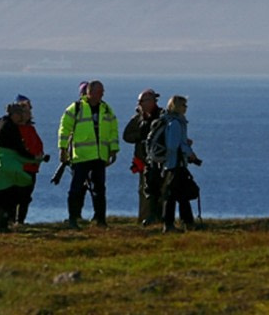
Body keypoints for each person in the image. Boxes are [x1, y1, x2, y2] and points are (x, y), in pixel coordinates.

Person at [58, 80, 119, 229]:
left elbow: (113, 130)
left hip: (99, 156)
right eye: (99, 92)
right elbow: (64, 129)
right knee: (76, 189)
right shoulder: (76, 108)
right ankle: (73, 218)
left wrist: (113, 149)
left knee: (99, 189)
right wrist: (62, 149)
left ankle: (100, 219)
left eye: (102, 92)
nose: (102, 94)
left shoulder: (107, 109)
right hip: (81, 156)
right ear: (90, 92)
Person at [0, 102, 42, 233]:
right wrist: (33, 158)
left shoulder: (0, 123)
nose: (21, 118)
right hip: (7, 165)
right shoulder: (11, 127)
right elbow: (19, 148)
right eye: (20, 115)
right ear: (14, 115)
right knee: (8, 195)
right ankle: (2, 225)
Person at [156, 95, 203, 233]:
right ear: (177, 106)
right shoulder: (175, 123)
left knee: (179, 195)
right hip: (175, 164)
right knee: (175, 196)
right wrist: (189, 152)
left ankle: (185, 222)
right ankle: (173, 224)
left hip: (174, 164)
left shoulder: (172, 121)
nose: (186, 108)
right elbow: (173, 145)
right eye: (183, 105)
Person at [122, 88, 165, 225]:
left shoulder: (163, 117)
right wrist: (141, 137)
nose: (139, 104)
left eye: (142, 101)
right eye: (139, 101)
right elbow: (126, 136)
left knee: (162, 190)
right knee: (144, 191)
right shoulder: (138, 118)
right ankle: (145, 219)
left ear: (152, 101)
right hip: (143, 160)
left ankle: (161, 219)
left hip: (161, 160)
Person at [13, 94, 48, 224]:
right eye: (26, 111)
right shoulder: (15, 129)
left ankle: (20, 220)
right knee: (17, 195)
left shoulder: (30, 129)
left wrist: (40, 156)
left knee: (26, 196)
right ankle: (12, 220)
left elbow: (38, 144)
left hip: (32, 167)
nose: (29, 114)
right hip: (21, 168)